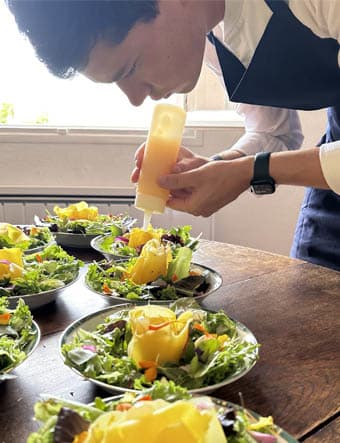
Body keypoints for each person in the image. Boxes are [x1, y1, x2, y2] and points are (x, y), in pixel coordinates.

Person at [6, 0, 340, 270]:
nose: (135, 98)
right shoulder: (207, 33)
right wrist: (217, 166)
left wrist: (250, 172)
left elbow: (262, 164)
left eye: (131, 67)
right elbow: (275, 131)